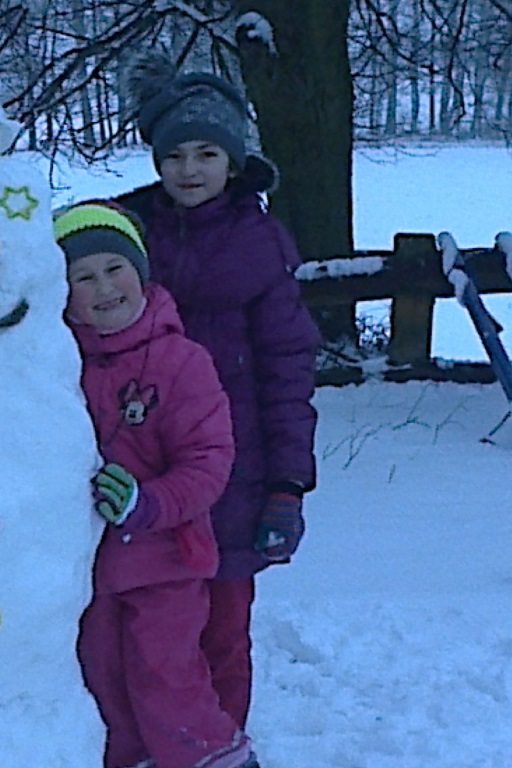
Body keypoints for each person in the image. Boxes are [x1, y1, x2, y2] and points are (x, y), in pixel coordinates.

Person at [116, 54, 321, 733]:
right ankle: (144, 743)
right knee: (144, 626)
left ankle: (222, 741)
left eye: (206, 153)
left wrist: (286, 486)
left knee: (223, 630)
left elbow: (287, 372)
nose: (189, 169)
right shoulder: (129, 231)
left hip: (238, 473)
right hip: (144, 465)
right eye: (174, 155)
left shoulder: (258, 243)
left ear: (234, 162)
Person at [57, 201, 257, 768]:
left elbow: (208, 462)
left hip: (165, 560)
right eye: (83, 277)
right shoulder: (55, 365)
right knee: (102, 684)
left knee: (166, 678)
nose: (104, 288)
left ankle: (214, 758)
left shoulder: (180, 361)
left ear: (140, 273)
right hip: (86, 567)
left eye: (114, 269)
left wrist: (148, 503)